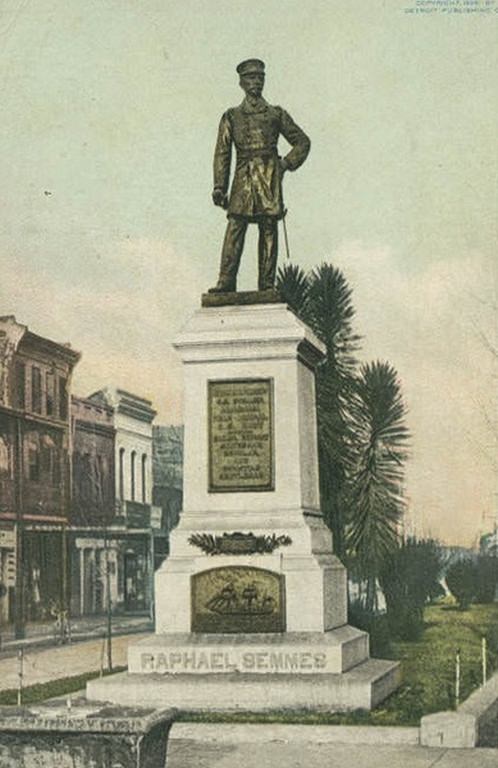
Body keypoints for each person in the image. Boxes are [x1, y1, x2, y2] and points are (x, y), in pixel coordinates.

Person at [209, 59, 310, 293]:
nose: (256, 82)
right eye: (251, 78)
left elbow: (303, 142)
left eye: (260, 78)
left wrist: (285, 164)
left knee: (268, 228)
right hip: (242, 178)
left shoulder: (276, 114)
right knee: (235, 226)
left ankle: (266, 284)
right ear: (241, 82)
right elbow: (222, 153)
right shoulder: (231, 116)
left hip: (269, 177)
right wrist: (219, 186)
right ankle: (226, 281)